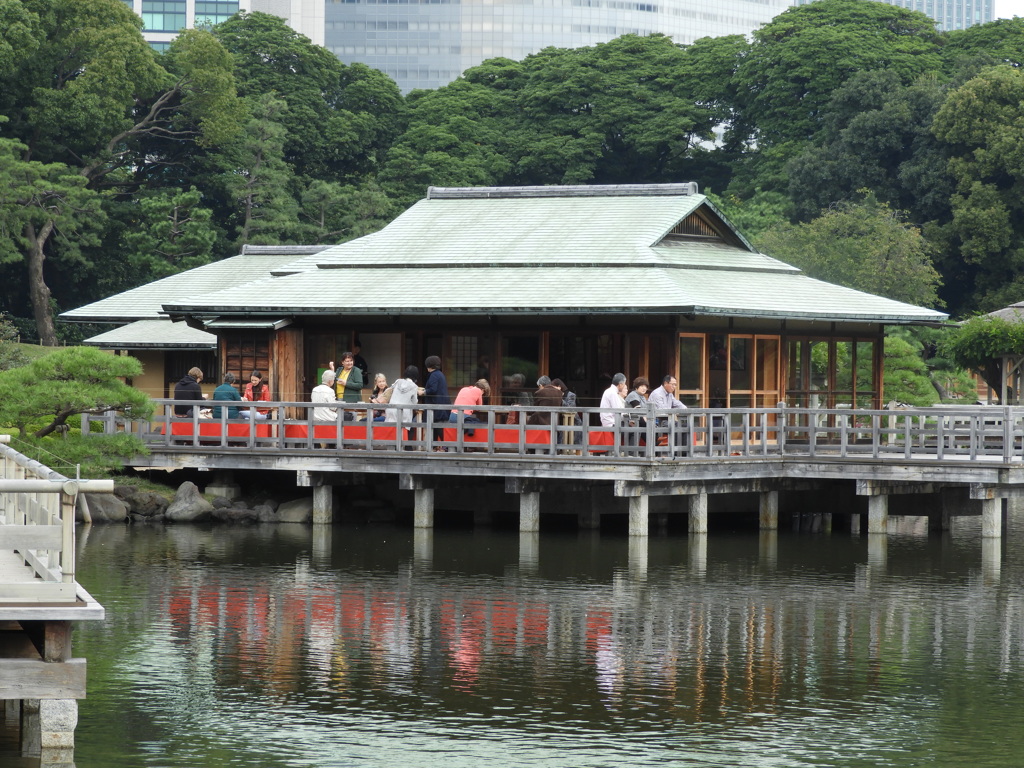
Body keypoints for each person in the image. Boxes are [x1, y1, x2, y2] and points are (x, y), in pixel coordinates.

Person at [423, 356, 452, 439]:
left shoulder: (434, 375)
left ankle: (446, 446)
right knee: (437, 427)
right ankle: (436, 446)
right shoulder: (440, 374)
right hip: (442, 404)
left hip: (437, 406)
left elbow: (433, 389)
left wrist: (424, 392)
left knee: (438, 427)